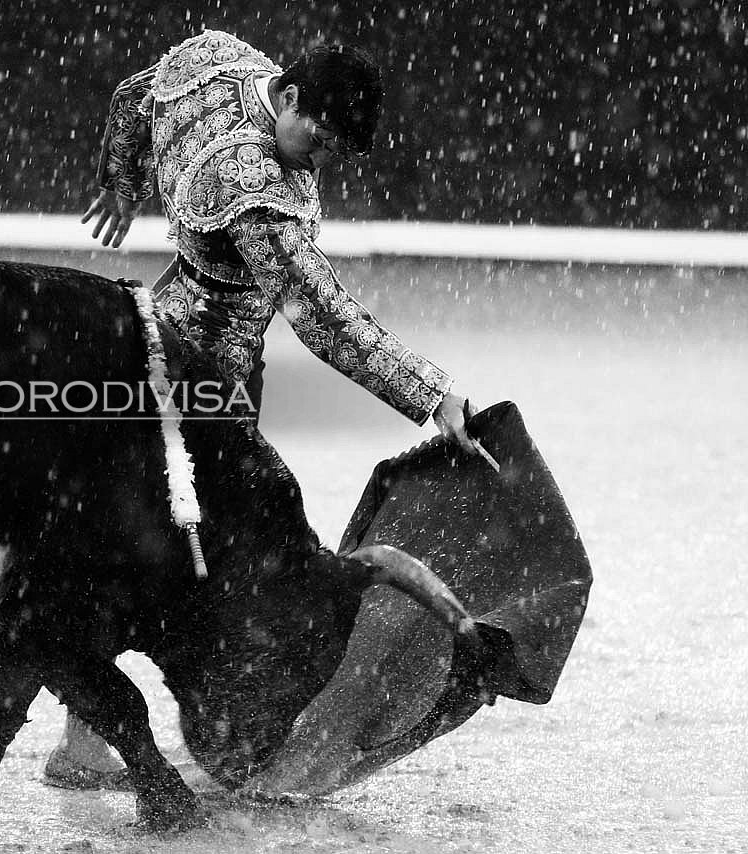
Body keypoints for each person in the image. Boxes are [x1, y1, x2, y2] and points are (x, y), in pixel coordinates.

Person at [44, 29, 478, 789]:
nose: (320, 161)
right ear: (294, 97)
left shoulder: (221, 62)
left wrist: (122, 178)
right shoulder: (252, 184)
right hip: (210, 375)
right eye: (321, 139)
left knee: (136, 538)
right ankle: (191, 732)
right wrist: (430, 392)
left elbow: (137, 94)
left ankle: (88, 739)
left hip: (155, 336)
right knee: (200, 552)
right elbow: (322, 315)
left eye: (335, 151)